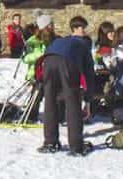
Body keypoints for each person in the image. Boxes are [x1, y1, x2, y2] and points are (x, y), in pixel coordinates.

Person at [39, 16, 95, 156]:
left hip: (47, 61)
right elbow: (89, 73)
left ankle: (50, 142)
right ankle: (76, 145)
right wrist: (88, 99)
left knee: (50, 102)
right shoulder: (83, 45)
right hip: (66, 63)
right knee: (73, 103)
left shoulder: (61, 40)